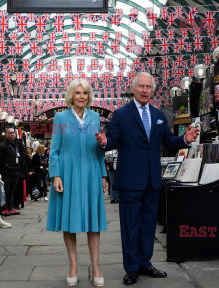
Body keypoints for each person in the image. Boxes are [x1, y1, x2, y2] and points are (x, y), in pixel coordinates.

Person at [95, 73, 199, 285]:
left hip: (152, 181)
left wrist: (184, 140)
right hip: (130, 182)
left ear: (153, 90)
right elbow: (112, 141)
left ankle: (145, 263)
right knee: (130, 225)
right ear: (134, 89)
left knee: (148, 225)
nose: (144, 90)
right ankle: (131, 268)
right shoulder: (121, 115)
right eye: (140, 86)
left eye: (148, 87)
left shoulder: (158, 114)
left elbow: (169, 141)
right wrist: (105, 141)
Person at [47, 79, 109, 287]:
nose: (81, 96)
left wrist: (103, 175)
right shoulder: (60, 118)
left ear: (89, 96)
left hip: (91, 172)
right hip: (68, 173)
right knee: (69, 221)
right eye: (77, 93)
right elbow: (54, 150)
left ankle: (96, 267)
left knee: (93, 221)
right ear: (71, 96)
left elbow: (99, 149)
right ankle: (73, 266)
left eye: (85, 93)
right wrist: (56, 175)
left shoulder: (95, 117)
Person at [0, 127, 26, 216]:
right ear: (6, 135)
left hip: (16, 171)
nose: (12, 134)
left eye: (13, 133)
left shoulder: (18, 144)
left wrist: (19, 165)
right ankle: (4, 208)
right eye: (10, 133)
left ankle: (10, 207)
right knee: (5, 190)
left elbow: (23, 155)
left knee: (12, 191)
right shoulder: (3, 146)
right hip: (6, 172)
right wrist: (0, 170)